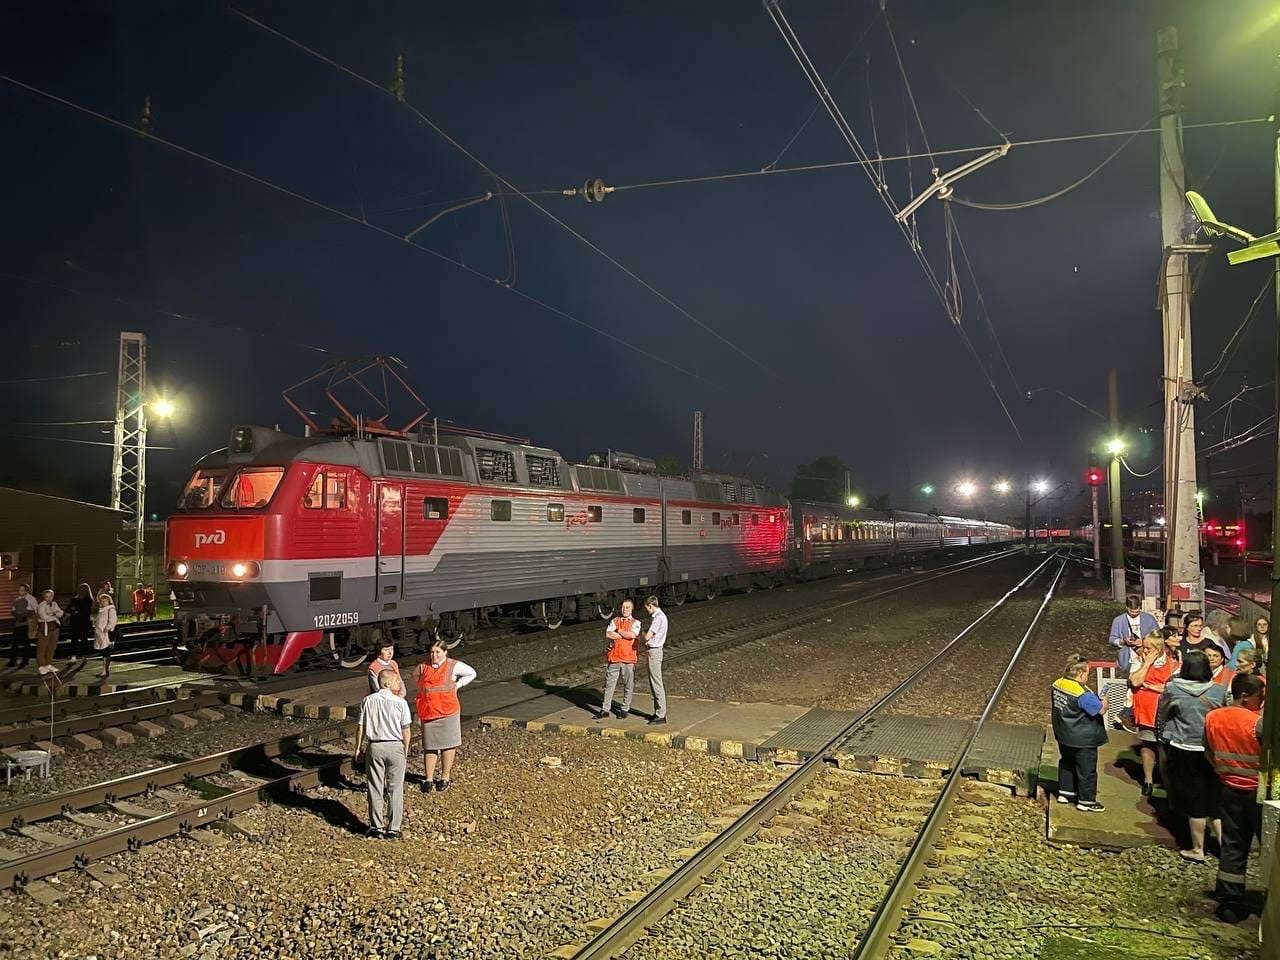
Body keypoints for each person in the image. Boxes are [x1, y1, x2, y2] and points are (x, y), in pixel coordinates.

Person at [1204, 673, 1266, 923]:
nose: (1261, 702)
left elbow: (1208, 751)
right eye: (1259, 697)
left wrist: (1224, 772)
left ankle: (1229, 901)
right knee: (1272, 848)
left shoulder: (1213, 718)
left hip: (1228, 788)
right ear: (1245, 696)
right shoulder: (1258, 723)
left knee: (1233, 846)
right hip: (1260, 792)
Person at [1156, 650, 1228, 862]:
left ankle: (1198, 848)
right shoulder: (1219, 690)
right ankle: (1226, 849)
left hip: (1183, 748)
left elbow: (1164, 713)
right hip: (1211, 750)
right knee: (1215, 801)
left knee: (1194, 800)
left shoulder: (1173, 689)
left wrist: (1163, 739)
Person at [354, 668, 413, 839]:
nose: (398, 684)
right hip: (395, 746)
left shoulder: (367, 701)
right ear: (387, 683)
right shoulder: (400, 702)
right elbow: (406, 729)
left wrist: (358, 748)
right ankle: (393, 828)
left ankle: (376, 826)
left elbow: (360, 727)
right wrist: (405, 748)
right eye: (396, 681)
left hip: (375, 746)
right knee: (395, 788)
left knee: (374, 787)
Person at [413, 638, 476, 792]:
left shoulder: (453, 666)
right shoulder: (423, 667)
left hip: (448, 711)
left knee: (448, 745)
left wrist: (457, 685)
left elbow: (471, 673)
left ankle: (445, 777)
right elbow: (416, 680)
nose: (434, 655)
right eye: (432, 652)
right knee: (430, 747)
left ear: (445, 653)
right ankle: (428, 778)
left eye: (438, 652)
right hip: (429, 712)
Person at [1051, 654, 1108, 812]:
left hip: (1064, 733)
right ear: (1081, 673)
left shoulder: (1057, 683)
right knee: (1086, 770)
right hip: (1083, 738)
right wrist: (1104, 699)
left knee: (1067, 762)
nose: (1087, 677)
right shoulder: (1082, 694)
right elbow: (1101, 710)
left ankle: (1065, 792)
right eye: (1087, 674)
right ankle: (1086, 801)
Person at [1129, 631, 1178, 796]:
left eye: (1147, 648)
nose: (1143, 651)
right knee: (1148, 744)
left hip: (1165, 712)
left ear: (1158, 648)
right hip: (1146, 711)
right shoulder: (1139, 661)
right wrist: (1147, 662)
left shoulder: (1174, 665)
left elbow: (1172, 688)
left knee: (1164, 748)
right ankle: (1148, 780)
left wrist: (1149, 686)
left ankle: (1167, 782)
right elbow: (1135, 681)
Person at [594, 599, 641, 720]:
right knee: (609, 685)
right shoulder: (614, 620)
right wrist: (625, 635)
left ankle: (625, 709)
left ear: (632, 609)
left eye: (627, 607)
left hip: (628, 659)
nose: (625, 609)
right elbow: (608, 634)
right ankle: (605, 709)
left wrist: (618, 631)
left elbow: (633, 635)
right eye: (623, 607)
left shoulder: (636, 622)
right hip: (614, 657)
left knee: (628, 685)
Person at [1108, 595, 1158, 672]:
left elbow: (1158, 636)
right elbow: (1112, 640)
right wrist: (1124, 641)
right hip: (1127, 659)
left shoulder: (1149, 618)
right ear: (1126, 607)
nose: (1134, 614)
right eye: (1132, 611)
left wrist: (1144, 641)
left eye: (1137, 611)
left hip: (1147, 657)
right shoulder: (1118, 620)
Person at [642, 595, 668, 725]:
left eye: (647, 608)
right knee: (654, 682)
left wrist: (642, 632)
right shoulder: (661, 616)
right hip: (655, 651)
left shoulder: (658, 618)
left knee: (656, 682)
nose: (647, 611)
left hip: (654, 651)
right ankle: (658, 711)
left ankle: (661, 713)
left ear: (651, 606)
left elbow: (647, 637)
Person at [34, 589, 63, 677]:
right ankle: (41, 666)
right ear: (44, 597)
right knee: (42, 647)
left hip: (54, 627)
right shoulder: (41, 605)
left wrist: (52, 614)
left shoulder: (54, 604)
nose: (49, 598)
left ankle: (48, 664)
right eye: (47, 596)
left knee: (52, 646)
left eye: (51, 596)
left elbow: (61, 613)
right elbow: (43, 616)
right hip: (45, 628)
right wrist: (54, 614)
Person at [7, 583, 35, 668]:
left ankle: (25, 661)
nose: (20, 592)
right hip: (18, 623)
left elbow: (35, 610)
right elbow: (13, 610)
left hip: (27, 623)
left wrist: (26, 614)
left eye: (22, 590)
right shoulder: (17, 599)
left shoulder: (31, 599)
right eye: (19, 590)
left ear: (27, 591)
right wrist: (16, 615)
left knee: (26, 643)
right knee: (14, 643)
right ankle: (13, 660)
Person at [66, 583, 94, 659]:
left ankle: (77, 655)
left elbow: (82, 610)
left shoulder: (85, 600)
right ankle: (81, 655)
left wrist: (75, 611)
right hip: (81, 622)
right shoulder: (85, 599)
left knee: (77, 639)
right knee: (81, 639)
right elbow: (69, 609)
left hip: (79, 622)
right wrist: (75, 611)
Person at [93, 592, 117, 677]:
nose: (103, 603)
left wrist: (106, 629)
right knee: (104, 653)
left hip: (106, 634)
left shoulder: (110, 609)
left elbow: (113, 621)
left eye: (105, 601)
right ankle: (104, 670)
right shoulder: (101, 610)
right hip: (100, 635)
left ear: (109, 601)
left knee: (106, 653)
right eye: (101, 601)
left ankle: (105, 670)